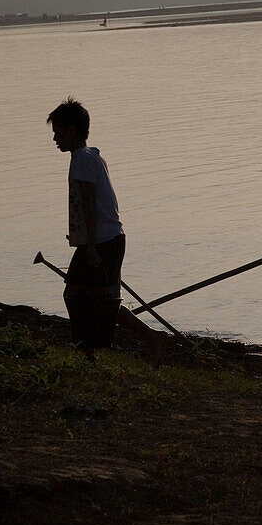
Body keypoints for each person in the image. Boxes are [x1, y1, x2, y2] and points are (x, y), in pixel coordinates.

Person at [47, 97, 164, 367]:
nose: (55, 139)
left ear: (72, 130)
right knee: (98, 299)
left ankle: (89, 350)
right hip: (103, 239)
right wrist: (79, 235)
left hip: (103, 242)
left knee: (79, 295)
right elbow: (94, 205)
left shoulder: (83, 160)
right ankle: (98, 349)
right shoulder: (88, 157)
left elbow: (89, 203)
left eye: (58, 132)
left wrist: (88, 246)